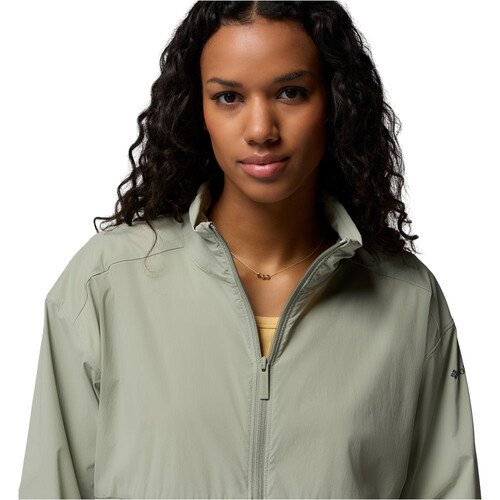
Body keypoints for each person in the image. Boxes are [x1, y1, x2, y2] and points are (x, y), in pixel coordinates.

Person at [18, 1, 481, 498]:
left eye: (290, 92)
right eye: (229, 97)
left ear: (334, 102)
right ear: (197, 110)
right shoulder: (107, 283)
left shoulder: (408, 301)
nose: (261, 129)